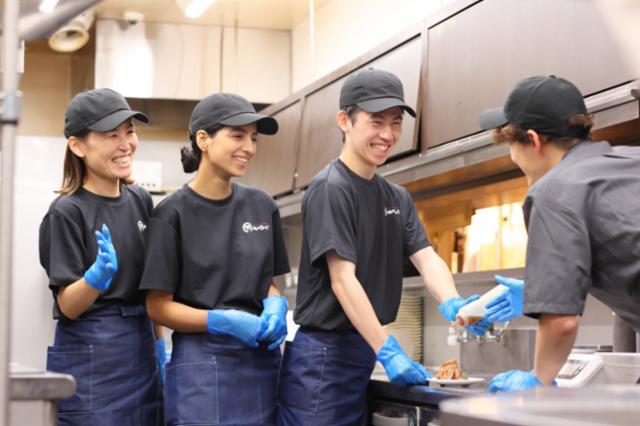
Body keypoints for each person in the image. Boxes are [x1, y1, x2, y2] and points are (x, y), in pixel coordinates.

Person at [276, 68, 518, 426]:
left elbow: (426, 257)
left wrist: (452, 302)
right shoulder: (331, 188)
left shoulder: (395, 196)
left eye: (395, 123)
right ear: (345, 120)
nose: (388, 135)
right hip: (322, 362)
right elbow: (343, 279)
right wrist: (388, 350)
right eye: (376, 122)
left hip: (359, 353)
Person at [479, 75, 640, 392]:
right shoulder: (631, 160)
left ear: (533, 140)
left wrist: (538, 382)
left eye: (511, 145)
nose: (511, 156)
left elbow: (563, 322)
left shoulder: (553, 191)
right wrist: (543, 288)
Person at [140, 93, 290, 426]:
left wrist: (276, 306)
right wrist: (222, 321)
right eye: (238, 136)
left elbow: (268, 283)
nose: (249, 147)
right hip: (202, 369)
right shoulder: (171, 213)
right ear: (203, 139)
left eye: (253, 138)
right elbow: (157, 307)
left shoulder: (263, 205)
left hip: (260, 365)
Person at [39, 88, 162, 424]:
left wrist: (160, 349)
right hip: (93, 356)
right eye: (111, 135)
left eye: (130, 132)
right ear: (77, 145)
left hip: (140, 348)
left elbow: (152, 288)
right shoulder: (66, 212)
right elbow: (68, 305)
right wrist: (95, 278)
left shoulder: (140, 200)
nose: (126, 144)